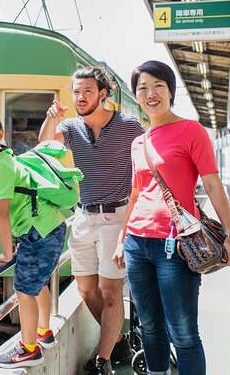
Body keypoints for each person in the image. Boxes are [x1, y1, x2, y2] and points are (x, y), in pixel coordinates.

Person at [113, 60, 230, 375]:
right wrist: (121, 240)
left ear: (171, 91)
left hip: (176, 245)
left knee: (182, 332)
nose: (150, 93)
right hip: (136, 245)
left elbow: (212, 184)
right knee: (151, 328)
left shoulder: (191, 130)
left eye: (158, 85)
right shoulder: (138, 142)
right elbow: (135, 193)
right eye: (142, 88)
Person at [39, 66, 144, 375]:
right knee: (86, 290)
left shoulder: (129, 126)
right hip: (84, 217)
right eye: (76, 92)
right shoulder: (71, 128)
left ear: (102, 93)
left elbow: (150, 156)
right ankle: (119, 342)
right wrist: (51, 118)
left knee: (111, 292)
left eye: (86, 91)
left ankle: (103, 360)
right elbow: (44, 149)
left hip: (117, 216)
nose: (80, 97)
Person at [0, 105, 67, 369]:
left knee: (23, 289)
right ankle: (43, 331)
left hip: (40, 232)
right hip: (44, 229)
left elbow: (2, 215)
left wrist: (8, 254)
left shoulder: (1, 166)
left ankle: (30, 349)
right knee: (37, 282)